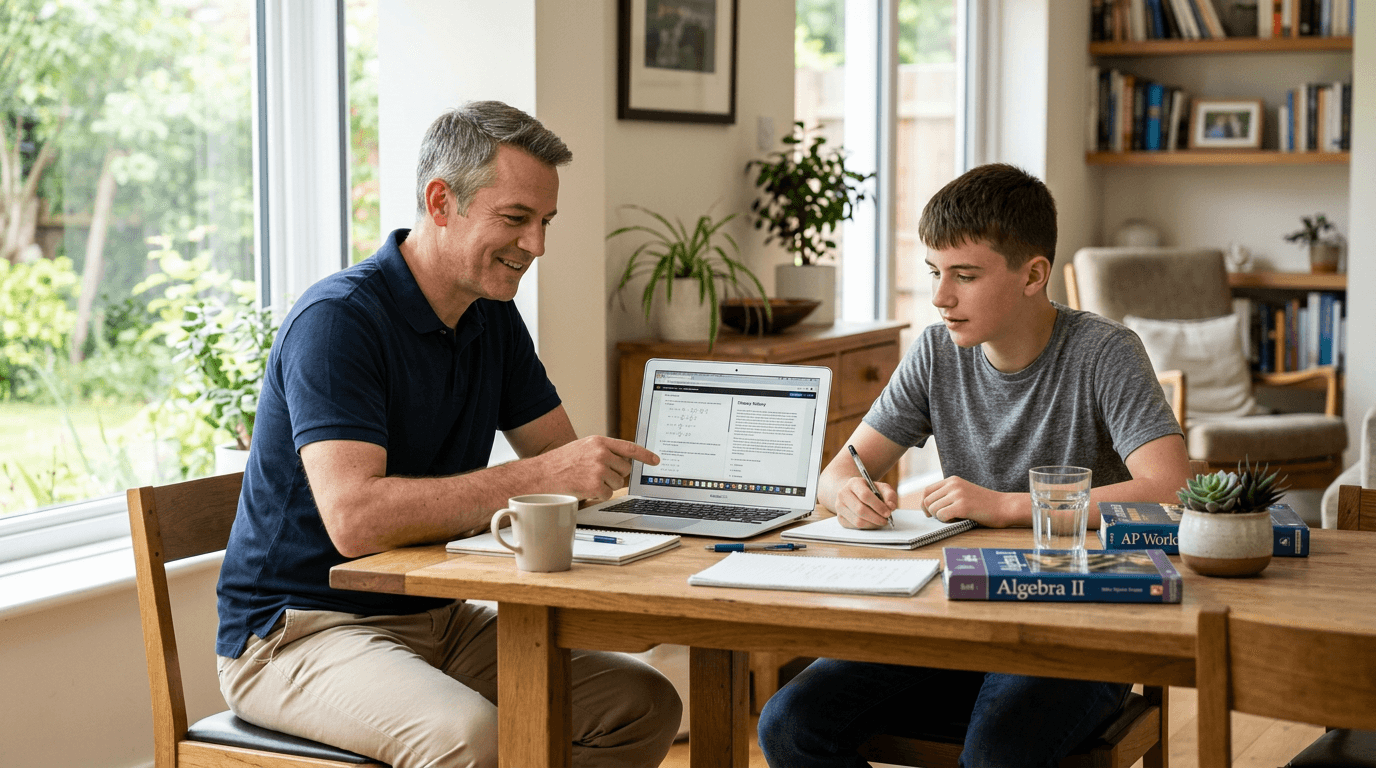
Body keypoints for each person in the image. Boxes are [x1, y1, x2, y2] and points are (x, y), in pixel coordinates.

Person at [214, 101, 682, 768]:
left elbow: (564, 464)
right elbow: (356, 520)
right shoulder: (338, 323)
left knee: (642, 702)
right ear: (441, 202)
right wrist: (546, 478)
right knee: (472, 736)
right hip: (298, 632)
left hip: (437, 620)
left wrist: (668, 496)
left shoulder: (492, 318)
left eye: (545, 223)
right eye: (516, 219)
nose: (537, 246)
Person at [757, 163, 1190, 767]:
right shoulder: (936, 352)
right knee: (789, 724)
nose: (940, 297)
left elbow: (1172, 490)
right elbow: (839, 471)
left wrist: (1006, 505)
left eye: (965, 276)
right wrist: (847, 494)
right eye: (934, 273)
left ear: (1033, 275)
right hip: (953, 620)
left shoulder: (1105, 351)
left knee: (995, 753)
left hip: (1079, 632)